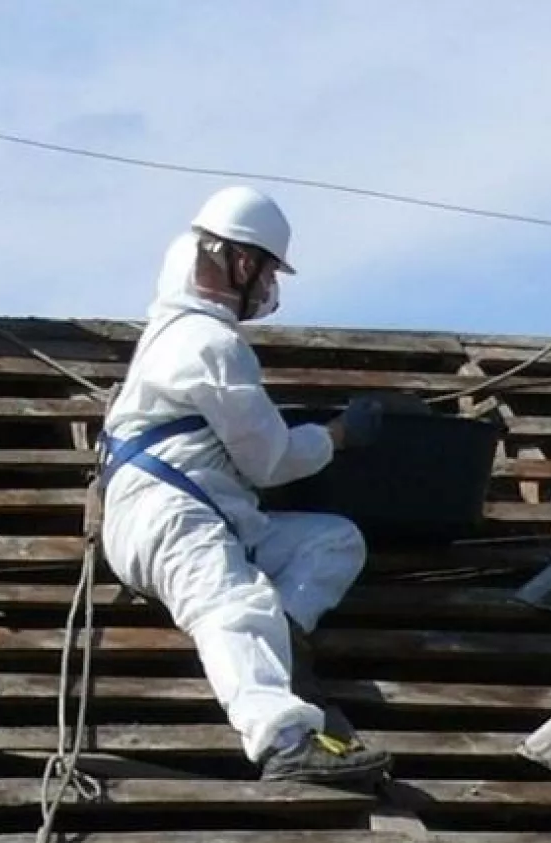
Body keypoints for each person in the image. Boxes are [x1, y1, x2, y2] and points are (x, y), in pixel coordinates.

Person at [98, 185, 392, 786]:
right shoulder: (209, 342)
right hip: (171, 517)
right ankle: (284, 741)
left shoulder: (179, 331)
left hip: (211, 514)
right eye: (267, 271)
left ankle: (282, 636)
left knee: (333, 541)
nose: (269, 287)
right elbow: (269, 461)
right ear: (240, 261)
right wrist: (336, 435)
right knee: (235, 604)